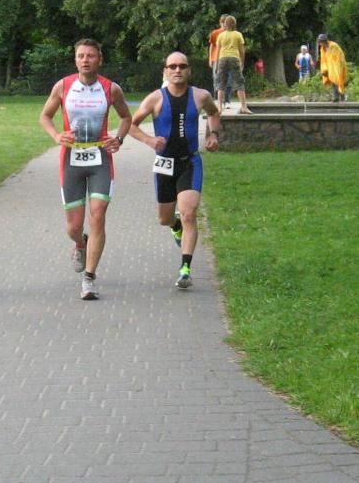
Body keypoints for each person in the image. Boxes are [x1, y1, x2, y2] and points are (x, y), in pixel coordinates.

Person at [39, 38, 133, 301]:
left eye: (90, 56)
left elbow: (126, 117)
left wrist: (119, 138)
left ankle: (89, 278)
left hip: (100, 157)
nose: (85, 60)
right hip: (71, 159)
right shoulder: (63, 86)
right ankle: (81, 243)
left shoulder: (111, 88)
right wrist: (56, 135)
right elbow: (44, 116)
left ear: (99, 60)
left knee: (98, 215)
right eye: (81, 56)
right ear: (75, 60)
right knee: (73, 227)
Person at [128, 51, 221, 289]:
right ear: (165, 71)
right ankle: (174, 226)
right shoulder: (155, 98)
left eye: (182, 66)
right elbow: (131, 125)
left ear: (189, 70)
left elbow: (213, 112)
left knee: (189, 213)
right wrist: (150, 140)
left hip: (190, 162)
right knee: (164, 218)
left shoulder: (200, 96)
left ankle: (185, 269)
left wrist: (213, 134)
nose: (177, 70)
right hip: (164, 164)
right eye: (173, 66)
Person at [215, 15, 252, 114]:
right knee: (239, 83)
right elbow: (242, 51)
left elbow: (217, 51)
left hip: (222, 59)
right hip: (234, 58)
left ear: (225, 24)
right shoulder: (238, 35)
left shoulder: (221, 36)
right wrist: (242, 62)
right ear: (234, 24)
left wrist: (217, 64)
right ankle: (243, 107)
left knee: (221, 83)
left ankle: (219, 107)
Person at [208, 15, 233, 108]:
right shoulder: (215, 33)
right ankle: (218, 100)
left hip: (228, 58)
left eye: (226, 23)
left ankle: (227, 100)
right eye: (223, 23)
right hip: (216, 59)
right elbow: (212, 46)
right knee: (217, 79)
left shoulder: (232, 33)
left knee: (229, 80)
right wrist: (210, 58)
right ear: (220, 23)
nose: (225, 25)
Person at [317, 34, 347, 102]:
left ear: (324, 41)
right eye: (319, 41)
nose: (319, 43)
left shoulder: (333, 46)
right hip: (330, 66)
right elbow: (324, 59)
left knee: (338, 80)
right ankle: (336, 98)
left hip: (338, 65)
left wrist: (336, 67)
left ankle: (342, 97)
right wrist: (324, 69)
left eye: (320, 41)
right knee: (333, 81)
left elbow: (339, 56)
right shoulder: (322, 49)